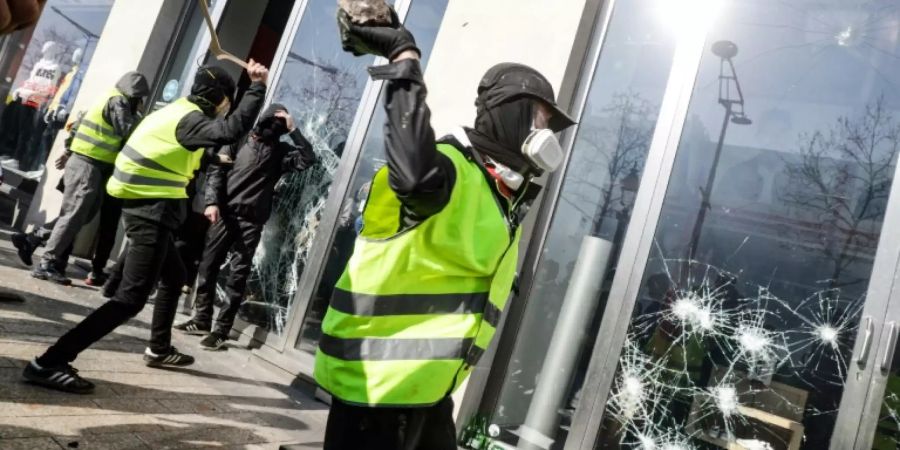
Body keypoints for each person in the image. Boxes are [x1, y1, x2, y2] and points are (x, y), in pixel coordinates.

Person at [315, 9, 576, 449]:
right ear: (511, 113)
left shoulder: (497, 191)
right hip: (377, 389)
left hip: (426, 389)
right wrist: (404, 59)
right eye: (541, 118)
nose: (545, 131)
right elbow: (413, 175)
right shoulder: (451, 168)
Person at [22, 61, 270, 394]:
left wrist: (212, 160)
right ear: (216, 97)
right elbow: (229, 132)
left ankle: (159, 348)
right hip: (150, 211)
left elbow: (169, 148)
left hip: (147, 206)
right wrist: (256, 87)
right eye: (228, 98)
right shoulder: (192, 119)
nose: (228, 105)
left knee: (175, 276)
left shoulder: (174, 113)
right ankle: (49, 362)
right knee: (130, 299)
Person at [174, 103, 316, 350]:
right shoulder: (239, 141)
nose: (272, 128)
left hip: (251, 222)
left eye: (279, 125)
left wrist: (294, 130)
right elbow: (217, 171)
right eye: (270, 122)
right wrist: (211, 202)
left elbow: (308, 158)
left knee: (237, 277)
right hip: (224, 214)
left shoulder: (281, 151)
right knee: (208, 267)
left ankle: (221, 330)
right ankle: (201, 319)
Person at [31, 72, 148, 285]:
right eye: (141, 99)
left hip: (92, 164)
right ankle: (46, 263)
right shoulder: (118, 102)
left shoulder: (110, 96)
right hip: (87, 163)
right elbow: (127, 131)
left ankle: (40, 234)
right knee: (75, 214)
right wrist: (141, 119)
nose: (141, 103)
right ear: (135, 95)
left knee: (83, 214)